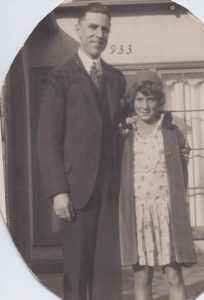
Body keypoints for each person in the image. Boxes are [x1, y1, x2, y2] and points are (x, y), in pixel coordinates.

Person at [37, 3, 126, 300]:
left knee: (108, 272)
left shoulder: (116, 78)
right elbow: (47, 139)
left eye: (104, 29)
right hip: (75, 192)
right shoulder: (60, 78)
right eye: (92, 27)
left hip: (109, 190)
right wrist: (57, 191)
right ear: (78, 29)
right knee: (76, 273)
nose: (99, 34)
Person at [119, 70, 196, 300]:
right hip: (138, 214)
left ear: (159, 101)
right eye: (139, 99)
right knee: (142, 278)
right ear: (132, 102)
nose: (145, 106)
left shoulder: (171, 132)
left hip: (167, 214)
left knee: (173, 275)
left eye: (150, 99)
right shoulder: (125, 135)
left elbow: (181, 170)